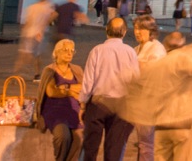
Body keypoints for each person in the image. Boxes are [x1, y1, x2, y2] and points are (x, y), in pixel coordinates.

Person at [119, 31, 192, 161]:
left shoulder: (159, 64)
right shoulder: (184, 59)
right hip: (183, 125)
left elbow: (140, 85)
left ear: (166, 46)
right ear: (182, 45)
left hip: (162, 126)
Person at [79, 17, 140, 161]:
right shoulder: (130, 52)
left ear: (106, 30)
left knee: (90, 147)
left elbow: (88, 81)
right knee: (114, 149)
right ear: (124, 32)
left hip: (98, 104)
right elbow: (136, 80)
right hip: (121, 105)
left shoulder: (97, 51)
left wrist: (82, 103)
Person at [38, 38, 84, 161]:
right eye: (65, 50)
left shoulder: (77, 70)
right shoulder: (50, 70)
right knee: (63, 136)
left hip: (74, 111)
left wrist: (65, 87)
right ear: (57, 52)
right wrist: (72, 92)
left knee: (81, 137)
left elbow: (84, 88)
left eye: (72, 51)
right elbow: (51, 92)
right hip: (55, 111)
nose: (69, 53)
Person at [131, 15, 167, 161]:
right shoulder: (137, 49)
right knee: (142, 143)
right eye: (135, 28)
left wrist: (134, 65)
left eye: (142, 29)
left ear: (151, 30)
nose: (137, 32)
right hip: (137, 101)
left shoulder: (156, 49)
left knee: (146, 144)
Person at [17, 0, 56, 79]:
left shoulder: (32, 7)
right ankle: (36, 73)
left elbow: (27, 21)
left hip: (29, 32)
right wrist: (46, 23)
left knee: (26, 53)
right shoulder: (47, 6)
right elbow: (54, 14)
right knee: (37, 54)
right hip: (39, 33)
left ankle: (20, 72)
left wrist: (24, 31)